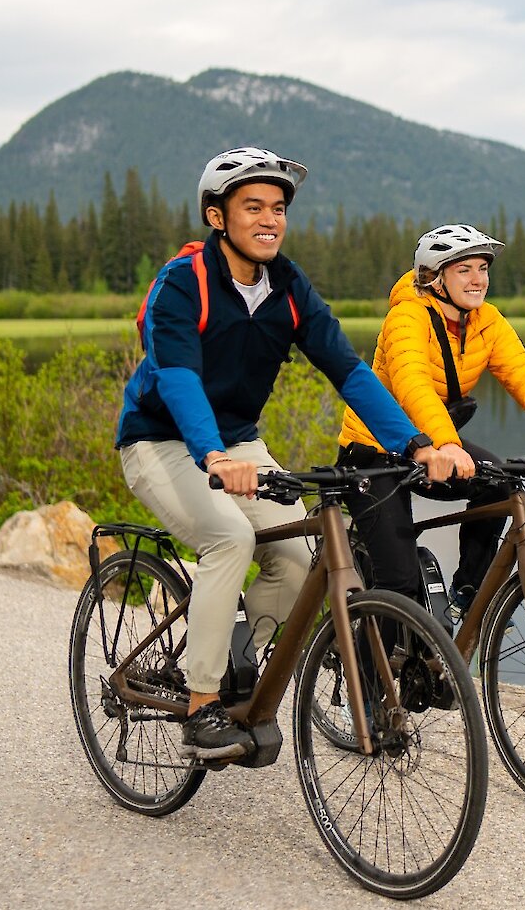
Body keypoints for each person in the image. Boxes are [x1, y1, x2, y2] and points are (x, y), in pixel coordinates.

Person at [114, 147, 455, 760]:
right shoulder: (181, 283)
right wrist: (214, 456)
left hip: (239, 441)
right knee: (228, 540)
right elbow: (179, 379)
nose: (269, 219)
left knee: (299, 557)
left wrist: (416, 444)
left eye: (278, 208)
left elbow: (348, 370)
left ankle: (245, 671)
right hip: (161, 440)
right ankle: (200, 705)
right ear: (217, 218)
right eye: (252, 207)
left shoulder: (289, 288)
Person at [334, 223, 525, 621]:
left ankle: (464, 595)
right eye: (464, 269)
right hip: (374, 454)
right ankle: (368, 681)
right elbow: (413, 385)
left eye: (483, 268)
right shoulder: (407, 318)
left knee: (500, 485)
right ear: (434, 277)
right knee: (397, 587)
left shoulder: (487, 320)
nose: (478, 279)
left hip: (436, 445)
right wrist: (448, 445)